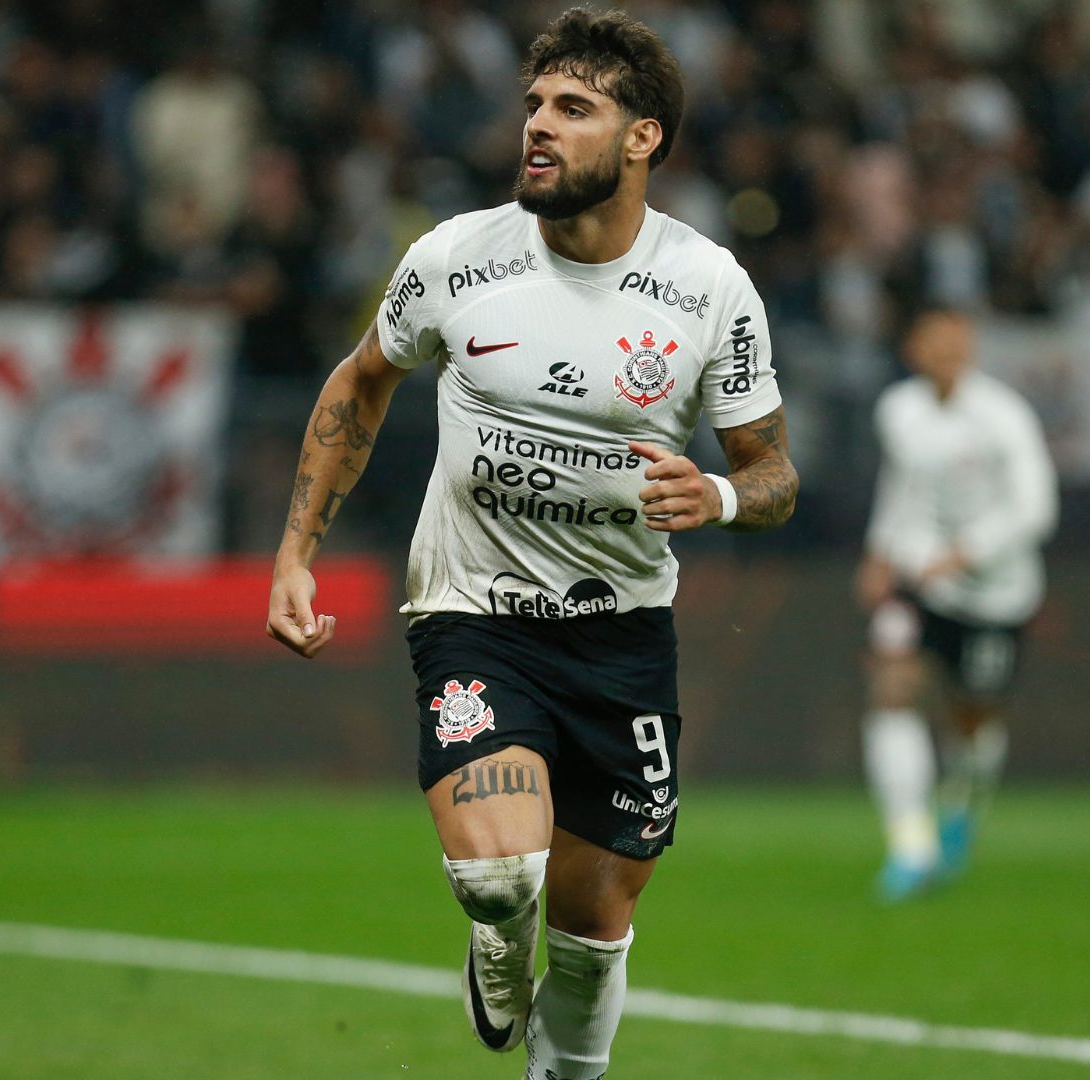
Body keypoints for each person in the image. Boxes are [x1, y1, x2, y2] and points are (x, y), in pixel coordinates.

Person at [264, 9, 796, 1078]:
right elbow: (361, 381)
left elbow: (775, 474)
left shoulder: (709, 289)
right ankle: (494, 942)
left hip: (624, 634)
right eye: (534, 107)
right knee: (507, 880)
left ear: (642, 137)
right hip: (474, 617)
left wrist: (723, 500)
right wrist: (294, 552)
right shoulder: (456, 258)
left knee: (595, 931)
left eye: (574, 109)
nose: (538, 129)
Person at [856, 306, 1056, 903]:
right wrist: (879, 554)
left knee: (972, 725)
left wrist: (965, 554)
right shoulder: (898, 410)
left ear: (969, 347)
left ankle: (963, 805)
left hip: (997, 594)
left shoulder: (1003, 416)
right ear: (913, 347)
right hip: (921, 583)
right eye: (931, 338)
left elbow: (1036, 508)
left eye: (955, 339)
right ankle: (910, 846)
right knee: (891, 690)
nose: (945, 350)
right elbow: (900, 488)